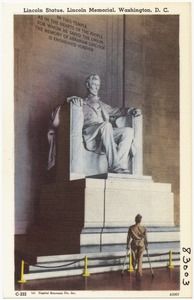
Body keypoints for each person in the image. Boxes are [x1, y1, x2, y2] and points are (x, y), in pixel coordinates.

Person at [67, 74, 141, 174]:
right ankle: (114, 165)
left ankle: (119, 164)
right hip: (90, 131)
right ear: (88, 85)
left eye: (98, 85)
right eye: (94, 84)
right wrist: (72, 99)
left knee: (128, 131)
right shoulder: (82, 101)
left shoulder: (102, 104)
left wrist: (132, 110)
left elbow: (117, 111)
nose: (97, 87)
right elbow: (67, 104)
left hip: (105, 131)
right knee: (106, 125)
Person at [127, 214, 148, 278]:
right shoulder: (144, 228)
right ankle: (139, 272)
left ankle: (133, 266)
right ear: (140, 220)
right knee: (140, 258)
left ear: (135, 220)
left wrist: (127, 244)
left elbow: (128, 237)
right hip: (141, 243)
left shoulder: (131, 227)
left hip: (134, 243)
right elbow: (145, 238)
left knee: (134, 255)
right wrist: (146, 245)